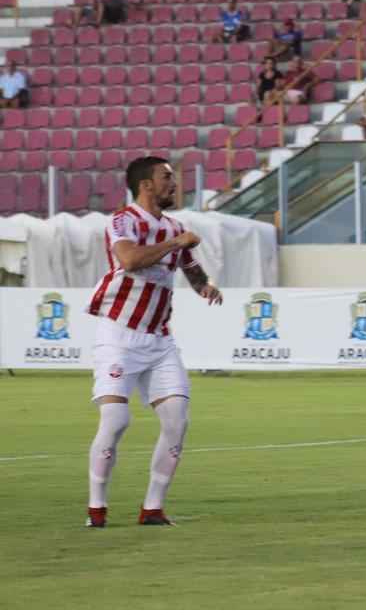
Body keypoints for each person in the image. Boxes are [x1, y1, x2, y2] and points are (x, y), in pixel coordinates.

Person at [84, 157, 223, 529]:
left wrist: (204, 285)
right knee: (115, 419)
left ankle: (153, 509)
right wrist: (175, 242)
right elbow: (129, 260)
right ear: (146, 185)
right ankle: (97, 509)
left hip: (159, 341)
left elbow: (190, 267)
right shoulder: (122, 220)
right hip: (118, 335)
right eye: (167, 178)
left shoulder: (175, 226)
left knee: (177, 420)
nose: (174, 184)